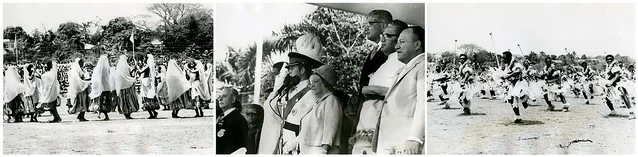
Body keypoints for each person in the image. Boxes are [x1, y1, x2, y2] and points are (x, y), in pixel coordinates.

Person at [259, 33, 324, 154]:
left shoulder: (313, 93)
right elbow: (269, 107)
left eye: (292, 68)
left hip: (298, 147)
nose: (289, 72)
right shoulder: (288, 90)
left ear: (302, 70)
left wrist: (297, 141)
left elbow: (316, 125)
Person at [352, 19, 407, 154]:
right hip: (367, 123)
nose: (383, 39)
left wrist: (369, 90)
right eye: (383, 35)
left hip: (380, 127)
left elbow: (397, 94)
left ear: (400, 40)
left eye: (388, 36)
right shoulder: (387, 62)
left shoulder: (401, 64)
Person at [374, 26, 425, 154]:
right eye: (397, 42)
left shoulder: (424, 66)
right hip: (391, 142)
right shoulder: (401, 70)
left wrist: (415, 137)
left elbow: (423, 103)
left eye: (402, 42)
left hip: (406, 143)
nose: (396, 47)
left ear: (417, 44)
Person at [352, 9, 393, 143]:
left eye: (370, 24)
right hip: (365, 107)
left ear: (382, 25)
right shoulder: (375, 50)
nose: (366, 28)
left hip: (379, 111)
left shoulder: (391, 52)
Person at [294, 65, 343, 154]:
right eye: (311, 82)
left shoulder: (331, 100)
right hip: (309, 149)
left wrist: (324, 150)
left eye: (316, 81)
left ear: (325, 84)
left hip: (319, 150)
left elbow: (330, 128)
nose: (312, 85)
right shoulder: (318, 102)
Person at [216, 87, 248, 154]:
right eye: (219, 97)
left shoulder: (237, 120)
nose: (220, 99)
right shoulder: (222, 116)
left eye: (224, 96)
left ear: (233, 99)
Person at [499, 51, 528, 123]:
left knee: (518, 95)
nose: (503, 60)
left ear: (509, 58)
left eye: (505, 58)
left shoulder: (516, 64)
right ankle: (517, 116)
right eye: (503, 58)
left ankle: (524, 100)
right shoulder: (506, 65)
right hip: (512, 84)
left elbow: (517, 71)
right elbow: (504, 72)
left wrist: (508, 75)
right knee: (511, 100)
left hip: (519, 83)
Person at [89, 54, 115, 120]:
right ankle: (105, 115)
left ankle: (99, 113)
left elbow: (95, 78)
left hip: (101, 87)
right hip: (107, 87)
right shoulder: (107, 68)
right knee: (105, 102)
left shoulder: (97, 69)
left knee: (100, 101)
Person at [114, 55, 140, 119]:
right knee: (129, 100)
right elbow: (132, 71)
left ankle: (126, 114)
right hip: (127, 86)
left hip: (121, 87)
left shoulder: (118, 67)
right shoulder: (126, 66)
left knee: (123, 101)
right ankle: (128, 114)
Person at [139, 54, 159, 119]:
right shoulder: (151, 66)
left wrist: (136, 65)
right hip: (148, 82)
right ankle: (153, 113)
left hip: (146, 82)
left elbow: (140, 71)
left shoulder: (147, 66)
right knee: (148, 99)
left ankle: (152, 113)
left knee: (146, 98)